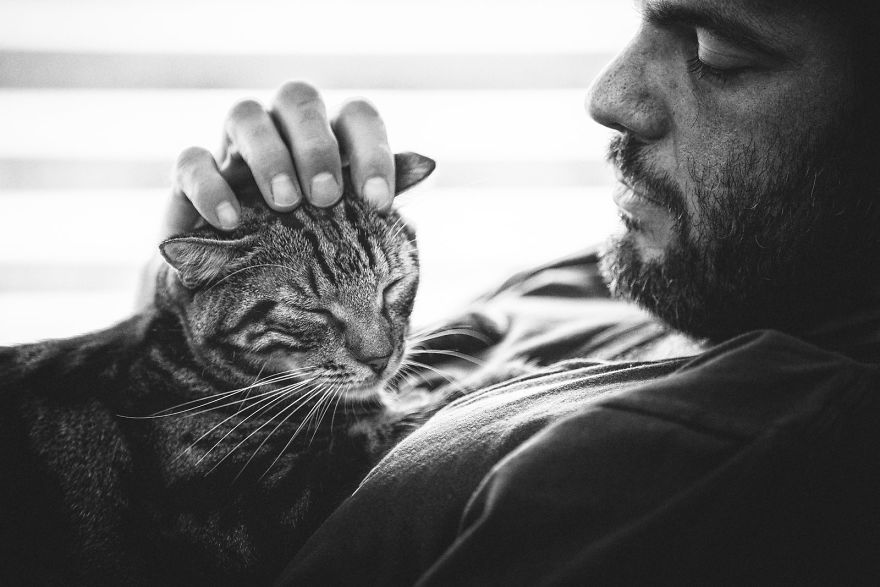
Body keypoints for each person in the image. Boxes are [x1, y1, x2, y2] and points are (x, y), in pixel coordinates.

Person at [162, 0, 880, 583]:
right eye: (641, 19)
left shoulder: (707, 480)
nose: (609, 97)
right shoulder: (660, 273)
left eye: (720, 54)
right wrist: (192, 315)